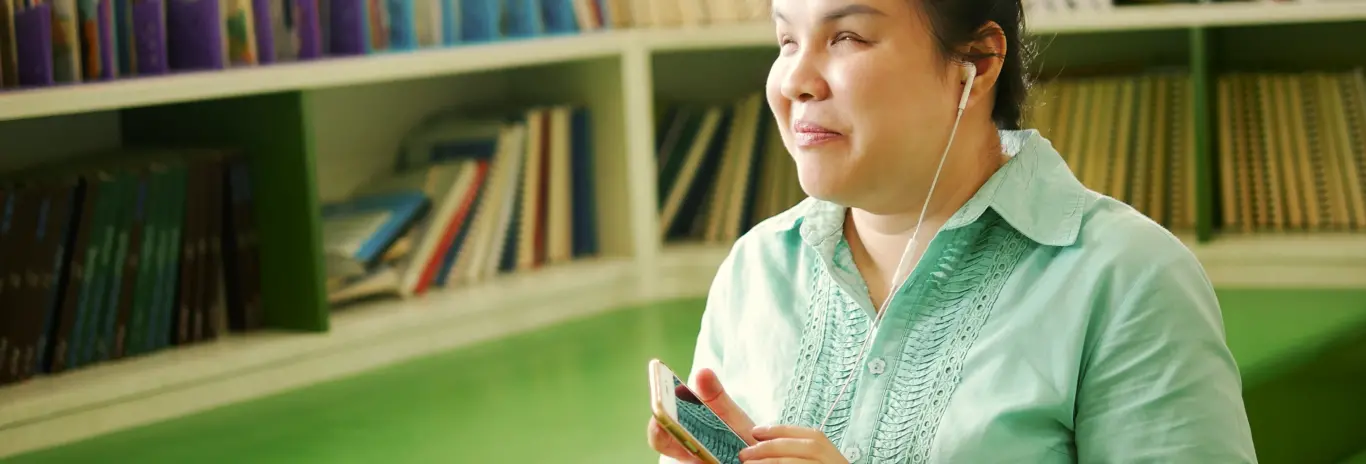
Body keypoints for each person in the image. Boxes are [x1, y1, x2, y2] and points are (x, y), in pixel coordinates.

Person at [647, 0, 1260, 462]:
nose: (794, 81)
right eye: (785, 39)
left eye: (847, 37)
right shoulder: (755, 269)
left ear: (978, 62)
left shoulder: (1130, 278)